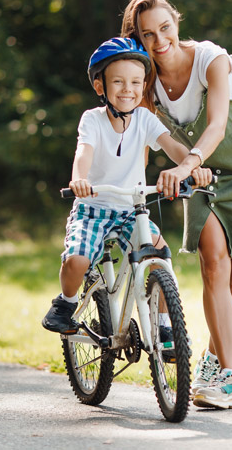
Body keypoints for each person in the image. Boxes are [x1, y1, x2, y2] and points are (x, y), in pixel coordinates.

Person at [121, 0, 232, 410]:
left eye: (165, 28)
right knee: (213, 264)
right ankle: (231, 379)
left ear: (176, 20)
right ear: (137, 38)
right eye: (147, 35)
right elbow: (144, 137)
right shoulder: (145, 83)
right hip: (201, 177)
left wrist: (187, 162)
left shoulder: (212, 59)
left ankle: (212, 360)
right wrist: (134, 190)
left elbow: (218, 126)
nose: (159, 41)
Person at [42, 36, 211, 335]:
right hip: (93, 207)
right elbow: (84, 152)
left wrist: (193, 165)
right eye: (118, 82)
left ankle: (162, 327)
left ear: (143, 85)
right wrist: (78, 179)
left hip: (132, 210)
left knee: (159, 258)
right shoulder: (92, 120)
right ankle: (66, 303)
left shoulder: (145, 119)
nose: (128, 90)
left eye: (135, 82)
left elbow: (172, 147)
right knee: (77, 261)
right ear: (100, 87)